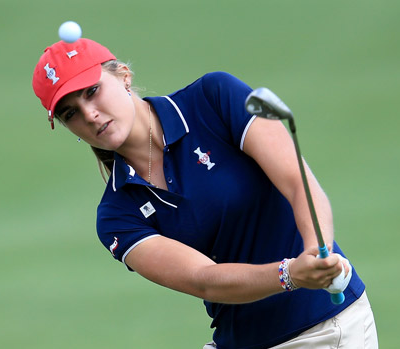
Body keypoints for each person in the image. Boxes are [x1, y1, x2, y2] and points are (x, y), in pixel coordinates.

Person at [32, 38, 378, 348]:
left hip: (324, 331)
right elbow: (204, 280)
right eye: (70, 113)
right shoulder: (116, 215)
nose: (89, 115)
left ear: (124, 76)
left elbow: (297, 183)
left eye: (92, 91)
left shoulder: (213, 99)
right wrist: (290, 273)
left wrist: (317, 254)